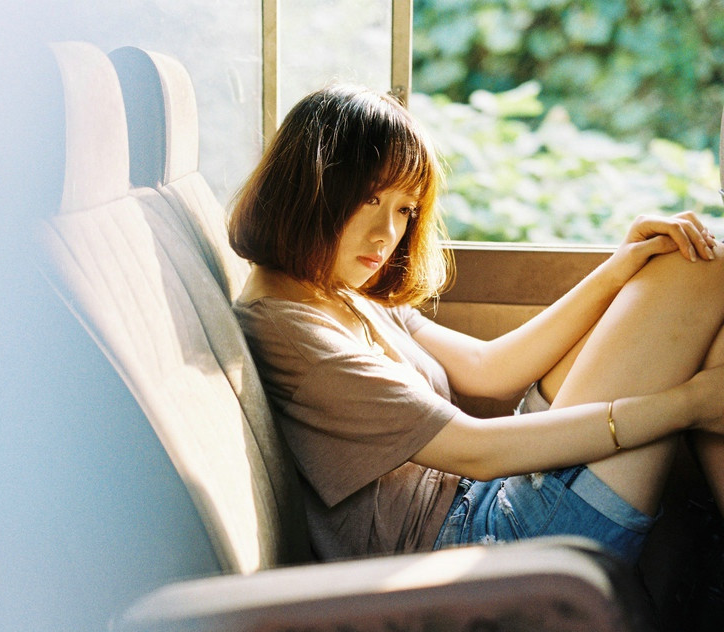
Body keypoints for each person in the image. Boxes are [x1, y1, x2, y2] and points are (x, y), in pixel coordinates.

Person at [228, 83, 724, 565]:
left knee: (695, 281)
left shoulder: (335, 287)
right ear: (310, 185)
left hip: (487, 498)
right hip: (483, 544)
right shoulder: (296, 336)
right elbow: (478, 450)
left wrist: (618, 268)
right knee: (704, 268)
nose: (387, 235)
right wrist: (689, 405)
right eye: (369, 198)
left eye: (405, 209)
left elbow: (491, 368)